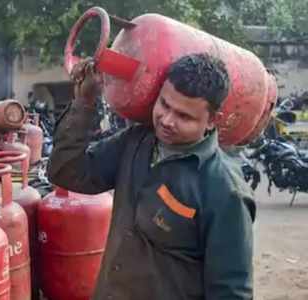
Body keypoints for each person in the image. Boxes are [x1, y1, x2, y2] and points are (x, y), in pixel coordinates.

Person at [47, 53, 256, 300]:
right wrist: (85, 101)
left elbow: (230, 292)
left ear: (212, 120)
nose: (167, 121)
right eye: (165, 105)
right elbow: (66, 172)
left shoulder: (225, 192)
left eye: (184, 116)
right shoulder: (136, 142)